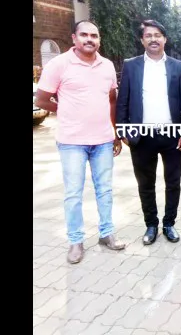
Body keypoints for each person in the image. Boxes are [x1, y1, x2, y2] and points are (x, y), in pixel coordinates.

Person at [35, 20, 125, 264]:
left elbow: (112, 100)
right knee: (74, 193)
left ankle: (107, 233)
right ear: (74, 38)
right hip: (72, 142)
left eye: (94, 36)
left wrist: (116, 133)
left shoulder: (107, 66)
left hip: (103, 140)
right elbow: (41, 99)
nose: (89, 39)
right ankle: (76, 241)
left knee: (104, 190)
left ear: (99, 40)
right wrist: (64, 108)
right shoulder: (59, 64)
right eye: (84, 35)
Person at [116, 19, 181, 245]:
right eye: (148, 35)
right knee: (145, 184)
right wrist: (123, 131)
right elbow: (123, 101)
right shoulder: (131, 65)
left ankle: (169, 224)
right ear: (142, 40)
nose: (153, 39)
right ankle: (151, 224)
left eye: (157, 35)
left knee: (173, 182)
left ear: (164, 39)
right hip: (141, 136)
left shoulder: (178, 66)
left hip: (172, 135)